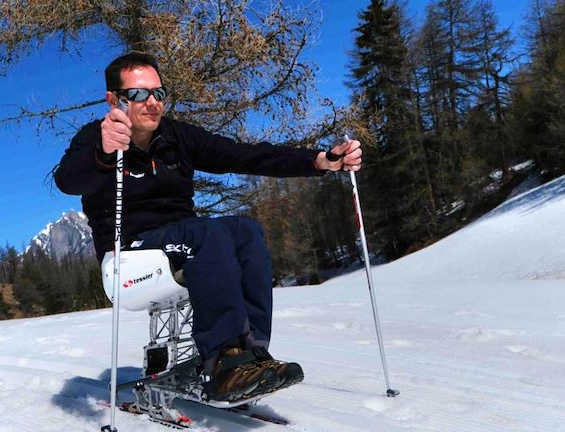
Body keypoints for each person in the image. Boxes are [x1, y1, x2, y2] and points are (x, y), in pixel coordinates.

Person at [54, 52, 361, 402]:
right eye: (139, 94)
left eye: (159, 93)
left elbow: (243, 155)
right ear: (114, 99)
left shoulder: (176, 137)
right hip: (127, 256)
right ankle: (224, 364)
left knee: (245, 230)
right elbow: (68, 180)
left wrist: (317, 161)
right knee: (208, 233)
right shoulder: (95, 139)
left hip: (181, 240)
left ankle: (252, 354)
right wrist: (103, 151)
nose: (152, 103)